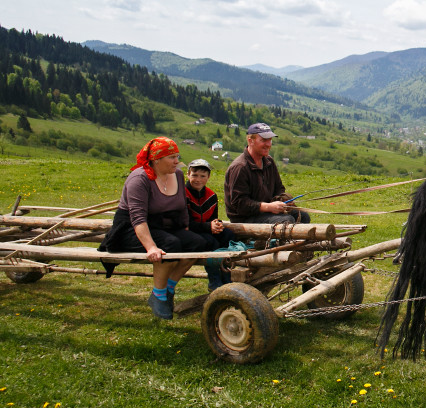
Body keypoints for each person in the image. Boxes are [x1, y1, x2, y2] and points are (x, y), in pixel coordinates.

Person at [100, 137, 218, 320]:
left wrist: (186, 228)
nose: (177, 161)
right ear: (156, 159)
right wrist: (151, 247)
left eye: (177, 156)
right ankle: (159, 295)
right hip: (131, 228)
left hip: (164, 225)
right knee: (170, 245)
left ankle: (169, 287)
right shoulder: (139, 179)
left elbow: (181, 207)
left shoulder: (177, 175)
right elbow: (138, 218)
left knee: (199, 243)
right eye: (171, 157)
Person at [224, 122, 310, 225]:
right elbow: (239, 204)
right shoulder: (240, 167)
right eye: (264, 140)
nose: (268, 144)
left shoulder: (269, 162)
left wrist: (283, 199)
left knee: (303, 216)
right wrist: (268, 207)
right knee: (287, 220)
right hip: (246, 218)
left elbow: (279, 188)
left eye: (270, 140)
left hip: (267, 212)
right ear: (250, 141)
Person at [185, 158, 238, 291]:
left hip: (205, 228)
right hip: (190, 231)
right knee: (211, 243)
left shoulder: (211, 196)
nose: (198, 179)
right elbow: (186, 222)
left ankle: (226, 275)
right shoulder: (183, 194)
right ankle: (214, 280)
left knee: (229, 235)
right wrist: (209, 227)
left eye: (203, 176)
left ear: (208, 177)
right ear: (188, 175)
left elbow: (213, 218)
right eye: (194, 175)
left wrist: (216, 224)